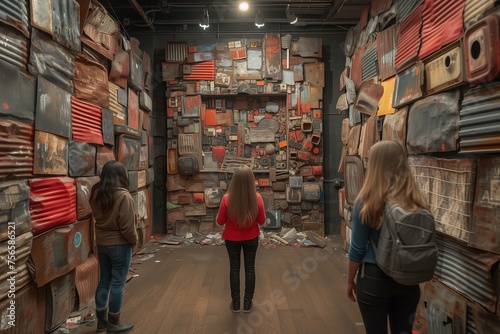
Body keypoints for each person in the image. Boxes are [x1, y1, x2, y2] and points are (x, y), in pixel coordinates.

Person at [346, 140, 428, 334]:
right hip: (408, 280)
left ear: (374, 165)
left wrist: (350, 281)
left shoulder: (366, 201)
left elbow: (357, 248)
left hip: (374, 279)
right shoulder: (415, 199)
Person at [90, 160, 137, 333]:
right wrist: (134, 241)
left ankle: (101, 322)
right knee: (118, 283)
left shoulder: (96, 193)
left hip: (102, 244)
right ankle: (114, 323)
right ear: (121, 176)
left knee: (104, 281)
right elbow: (127, 227)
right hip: (119, 245)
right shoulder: (124, 196)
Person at [216, 165, 266, 313]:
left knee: (234, 268)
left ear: (234, 181)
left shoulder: (226, 198)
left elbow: (220, 221)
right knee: (250, 269)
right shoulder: (257, 198)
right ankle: (247, 304)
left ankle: (236, 304)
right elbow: (262, 221)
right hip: (251, 238)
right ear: (251, 181)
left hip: (231, 239)